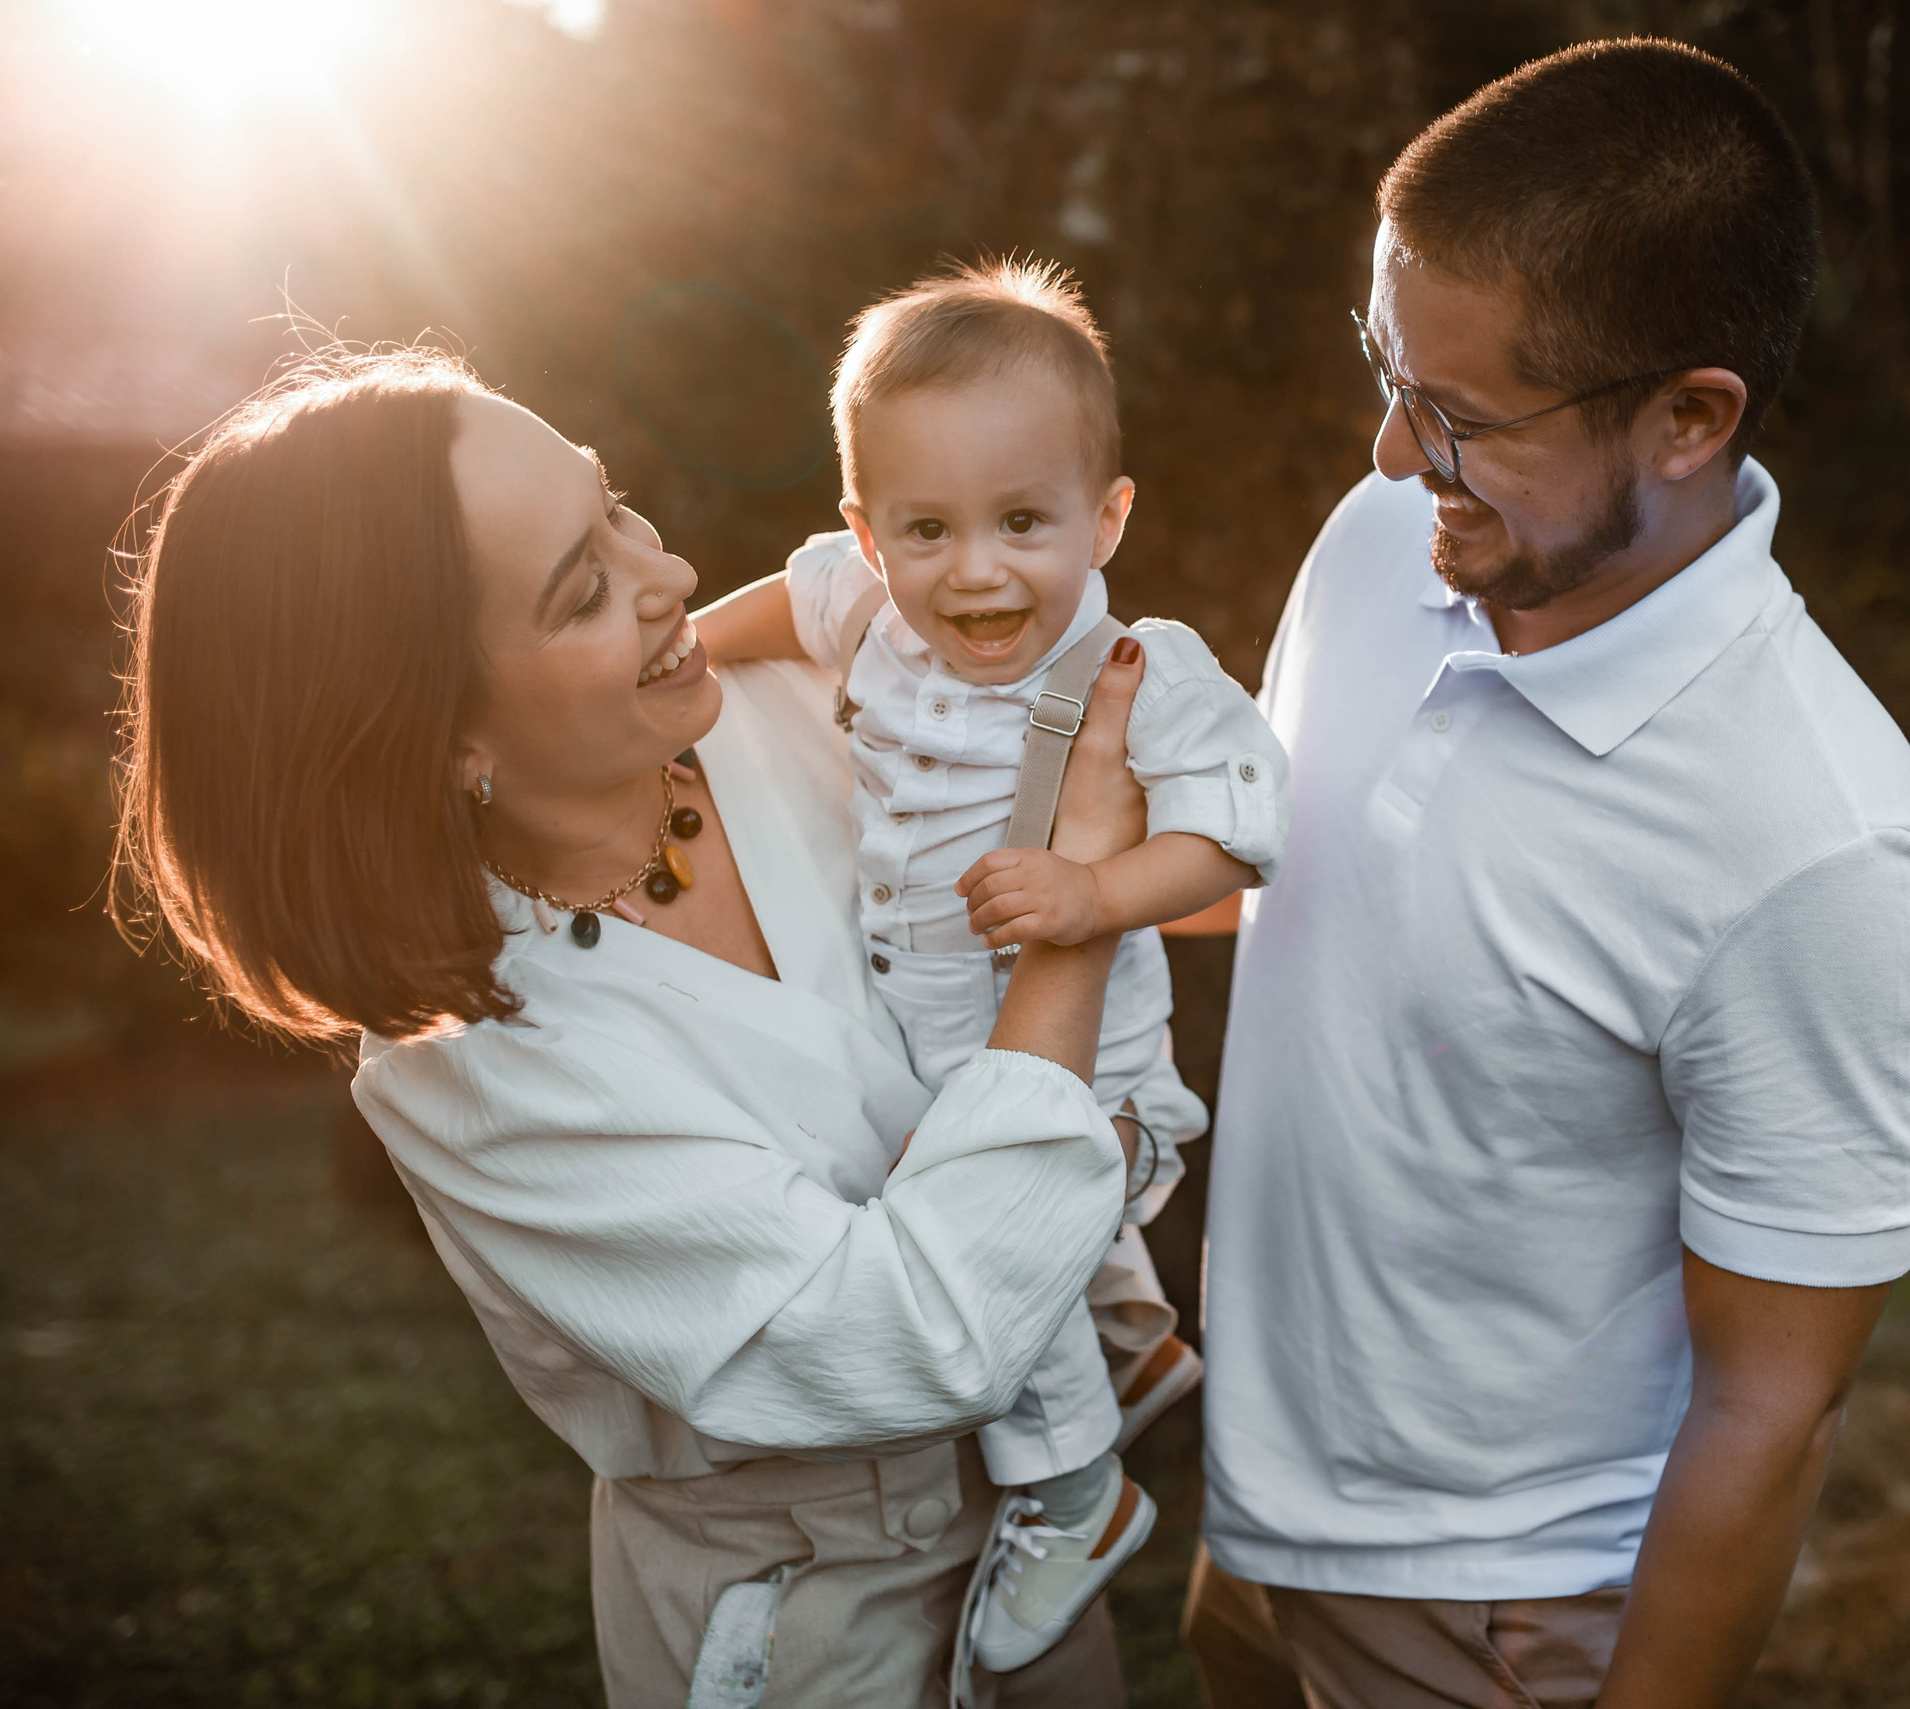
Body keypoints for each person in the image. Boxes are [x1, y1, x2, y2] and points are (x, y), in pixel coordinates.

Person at [112, 344, 1174, 1708]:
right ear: (442, 735)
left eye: (613, 503)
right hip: (802, 1629)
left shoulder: (820, 709)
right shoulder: (479, 1070)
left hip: (1043, 1545)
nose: (667, 573)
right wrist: (1072, 906)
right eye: (584, 588)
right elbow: (908, 1338)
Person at [1185, 39, 1910, 1709]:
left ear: (1690, 418)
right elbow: (1287, 875)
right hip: (1256, 1527)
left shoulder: (1825, 846)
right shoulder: (1388, 538)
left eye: (1458, 415)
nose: (1392, 456)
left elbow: (1775, 1407)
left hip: (1503, 1616)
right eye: (1385, 371)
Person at [696, 257, 1287, 1670]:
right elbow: (786, 608)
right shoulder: (872, 610)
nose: (977, 570)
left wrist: (1095, 887)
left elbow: (1243, 833)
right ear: (868, 530)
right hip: (934, 1050)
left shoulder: (1135, 671)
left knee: (985, 1265)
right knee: (965, 1218)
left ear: (1108, 515)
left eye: (1025, 521)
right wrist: (676, 667)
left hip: (1091, 1078)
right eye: (929, 529)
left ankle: (1074, 1492)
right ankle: (1131, 1348)